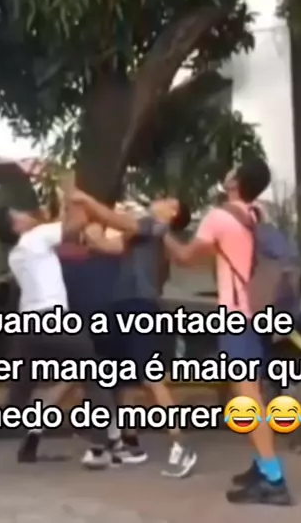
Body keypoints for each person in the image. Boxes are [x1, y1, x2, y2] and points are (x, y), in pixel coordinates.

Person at [0, 205, 125, 477]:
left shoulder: (16, 254)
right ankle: (100, 449)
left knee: (15, 400)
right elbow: (76, 224)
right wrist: (81, 202)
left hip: (27, 329)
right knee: (94, 377)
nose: (28, 215)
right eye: (20, 214)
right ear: (16, 225)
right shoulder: (37, 236)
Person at [163, 158, 293, 506]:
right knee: (255, 394)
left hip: (238, 317)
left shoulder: (220, 217)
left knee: (247, 398)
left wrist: (160, 231)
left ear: (236, 182)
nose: (228, 171)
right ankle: (262, 466)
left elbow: (186, 257)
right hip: (260, 312)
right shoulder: (258, 214)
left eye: (233, 169)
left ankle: (274, 479)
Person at [70, 193, 198, 478]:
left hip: (140, 305)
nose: (159, 199)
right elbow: (105, 245)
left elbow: (115, 220)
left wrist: (88, 201)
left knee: (151, 378)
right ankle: (128, 442)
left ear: (173, 213)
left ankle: (181, 445)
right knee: (124, 379)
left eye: (168, 200)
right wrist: (89, 224)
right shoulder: (144, 231)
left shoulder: (154, 225)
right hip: (122, 303)